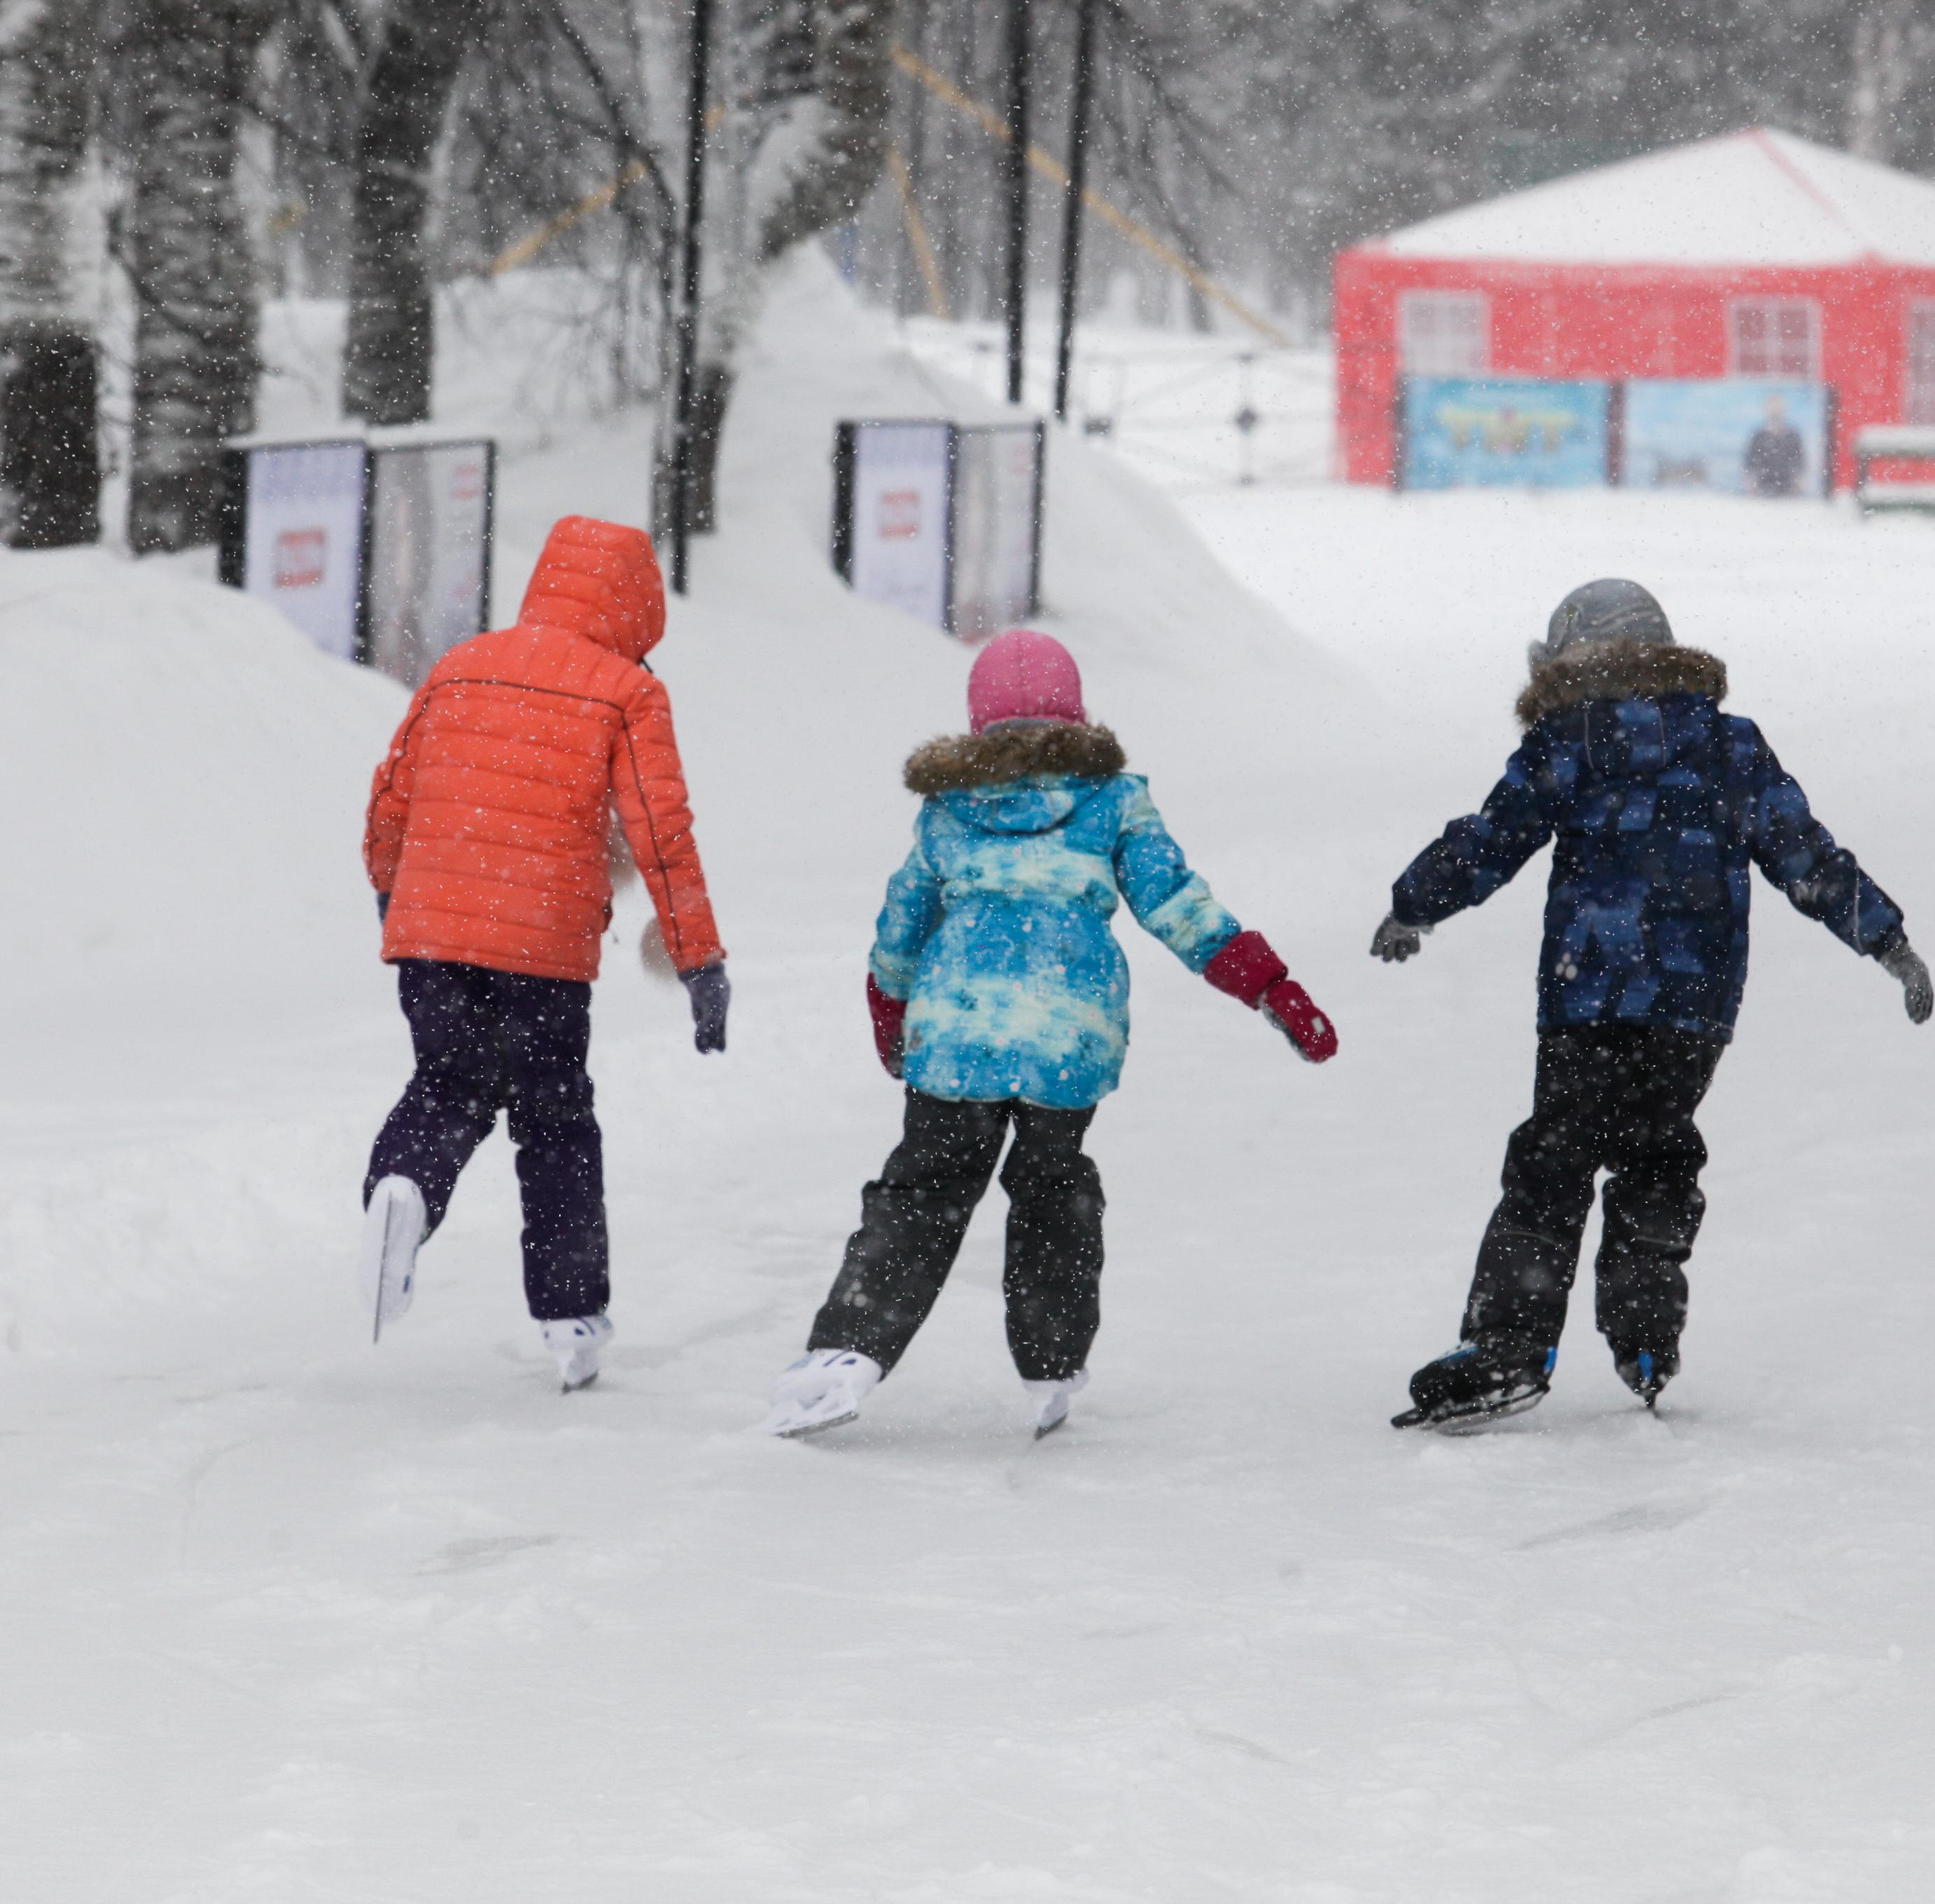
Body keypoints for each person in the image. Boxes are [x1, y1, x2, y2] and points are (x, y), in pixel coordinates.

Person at [1371, 579, 1931, 1432]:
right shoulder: (1728, 745)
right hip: (1692, 1008)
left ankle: (1508, 1349)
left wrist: (1416, 903)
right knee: (1657, 1155)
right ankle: (1645, 1337)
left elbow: (1491, 837)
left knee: (1552, 1164)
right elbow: (1803, 851)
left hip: (1586, 996)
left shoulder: (1570, 739)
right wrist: (1884, 937)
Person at [763, 629, 1338, 1441]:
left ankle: (847, 1351)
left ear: (977, 721)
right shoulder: (1113, 802)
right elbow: (1181, 907)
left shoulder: (948, 810)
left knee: (923, 1192)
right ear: (1077, 714)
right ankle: (1052, 1359)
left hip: (957, 1034)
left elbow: (900, 929)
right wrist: (1271, 985)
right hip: (1070, 1035)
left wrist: (890, 1014)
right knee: (1050, 1187)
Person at [357, 516, 729, 1392]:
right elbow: (660, 833)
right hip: (542, 947)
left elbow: (391, 795)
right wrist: (699, 958)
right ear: (637, 608)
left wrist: (393, 891)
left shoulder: (459, 664)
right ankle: (571, 1315)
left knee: (446, 1081)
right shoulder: (625, 692)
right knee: (555, 1120)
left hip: (432, 931)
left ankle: (401, 1187)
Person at [1742, 393, 1808, 498]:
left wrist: (1799, 484)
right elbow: (1749, 465)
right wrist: (1751, 485)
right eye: (1772, 408)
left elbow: (1801, 464)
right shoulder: (1759, 437)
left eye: (1778, 408)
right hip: (1762, 491)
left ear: (1784, 410)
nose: (1775, 412)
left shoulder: (1793, 436)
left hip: (1789, 492)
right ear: (1766, 410)